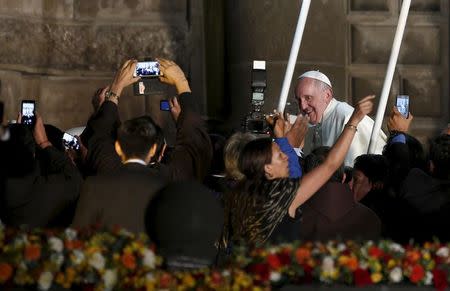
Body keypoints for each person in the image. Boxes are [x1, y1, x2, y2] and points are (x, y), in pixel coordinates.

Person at [221, 95, 375, 246]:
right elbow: (330, 165)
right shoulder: (282, 196)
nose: (287, 157)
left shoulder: (238, 195)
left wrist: (281, 138)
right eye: (280, 155)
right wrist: (354, 121)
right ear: (268, 168)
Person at [72, 59, 206, 232]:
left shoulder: (101, 179)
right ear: (156, 149)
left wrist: (115, 90)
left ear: (118, 148)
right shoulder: (170, 181)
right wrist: (182, 83)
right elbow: (195, 144)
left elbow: (99, 136)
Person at [295, 71, 387, 166]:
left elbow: (352, 167)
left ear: (327, 95)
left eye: (308, 98)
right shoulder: (312, 121)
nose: (302, 106)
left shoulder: (346, 118)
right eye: (298, 99)